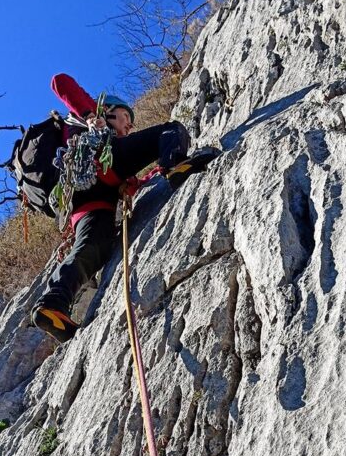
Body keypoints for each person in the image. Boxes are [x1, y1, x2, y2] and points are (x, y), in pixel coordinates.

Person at [31, 73, 212, 342]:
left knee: (92, 248)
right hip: (100, 164)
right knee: (171, 130)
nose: (128, 128)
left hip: (86, 201)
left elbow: (134, 182)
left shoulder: (86, 133)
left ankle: (53, 305)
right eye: (126, 119)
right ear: (108, 110)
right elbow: (60, 81)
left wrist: (142, 182)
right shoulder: (88, 117)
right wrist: (90, 114)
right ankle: (174, 163)